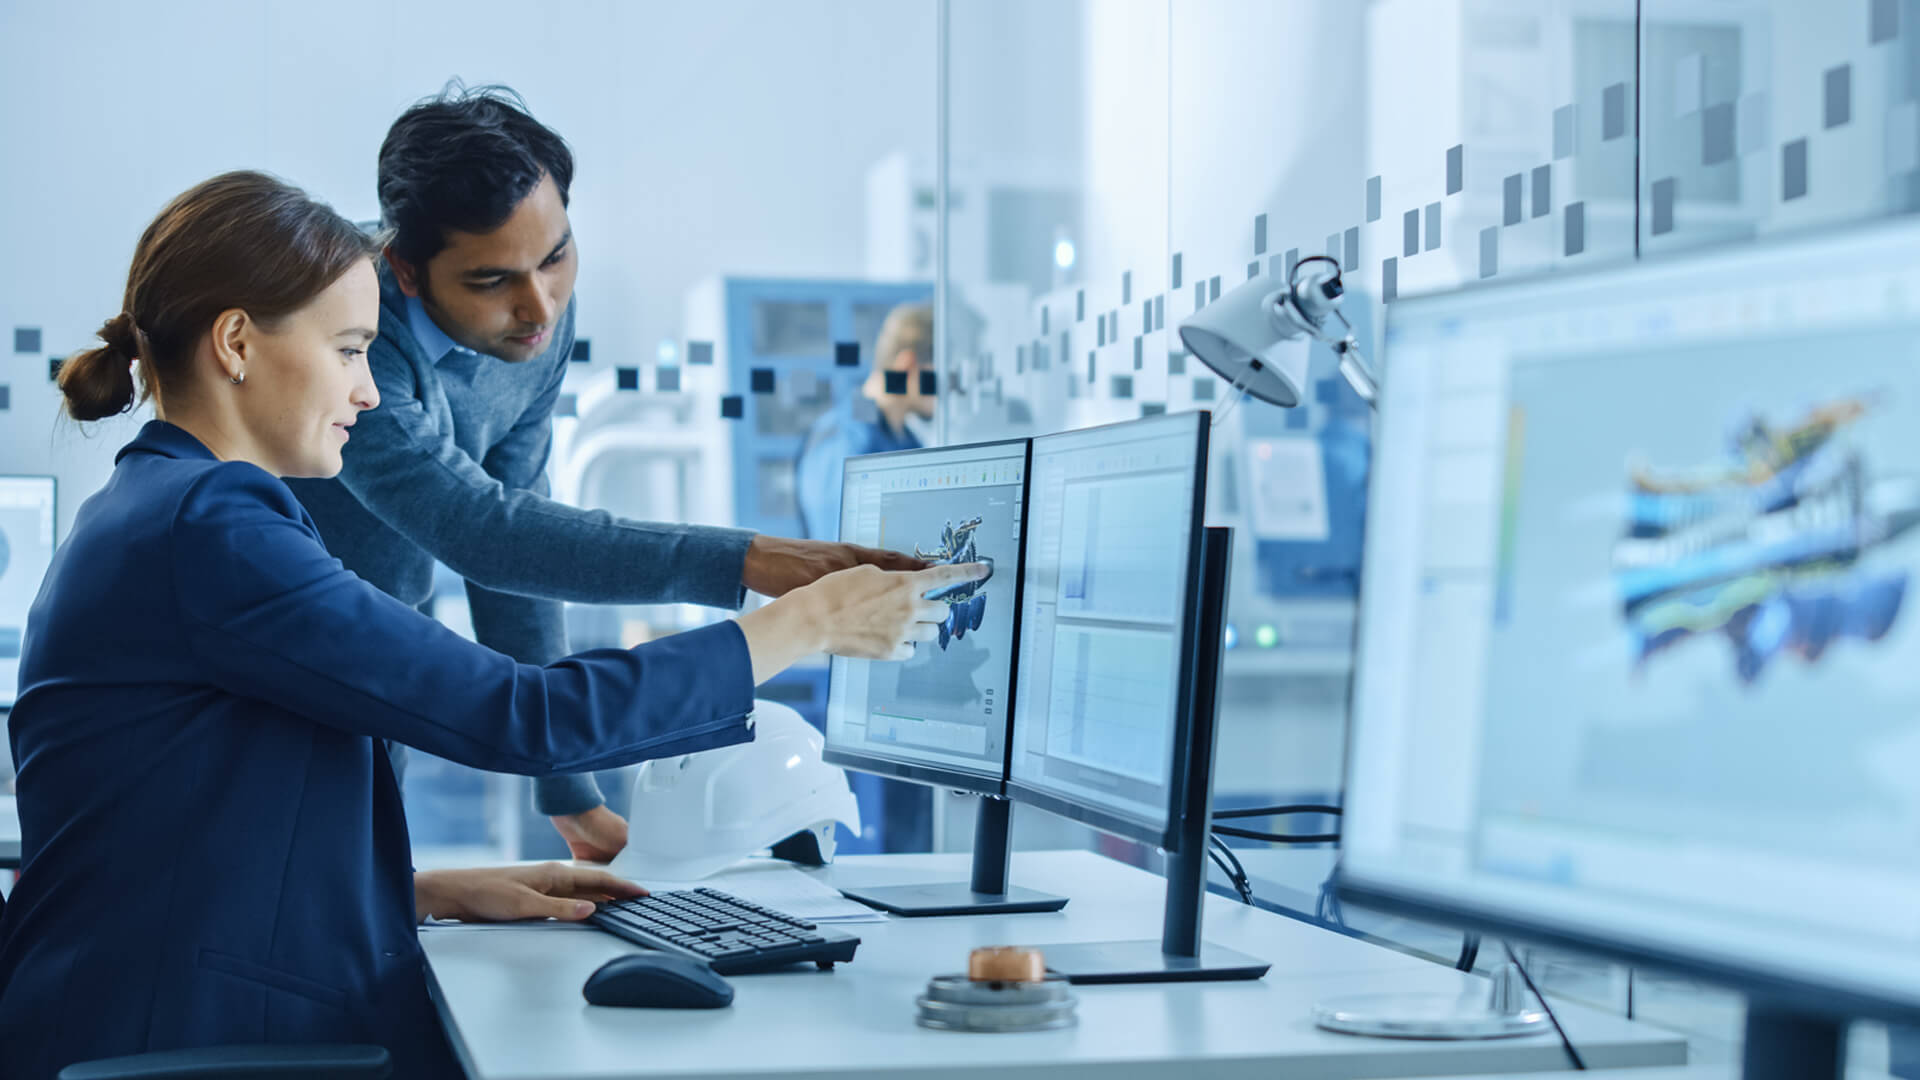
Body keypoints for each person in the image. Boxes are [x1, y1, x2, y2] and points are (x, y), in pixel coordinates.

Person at [0, 171, 982, 1079]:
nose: (369, 389)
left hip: (146, 1009)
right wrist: (803, 626)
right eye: (348, 351)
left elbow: (187, 829)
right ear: (238, 344)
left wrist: (424, 890)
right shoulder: (209, 529)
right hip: (174, 1040)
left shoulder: (164, 510)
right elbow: (519, 715)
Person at [284, 83, 921, 861]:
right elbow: (481, 533)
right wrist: (750, 560)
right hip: (280, 668)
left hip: (375, 670)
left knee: (361, 898)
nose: (540, 307)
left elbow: (513, 528)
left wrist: (570, 792)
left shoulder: (535, 327)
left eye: (556, 258)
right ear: (407, 271)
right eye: (492, 280)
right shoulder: (351, 330)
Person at [795, 300, 935, 542]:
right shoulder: (846, 441)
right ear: (908, 366)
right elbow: (842, 557)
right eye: (941, 375)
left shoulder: (904, 439)